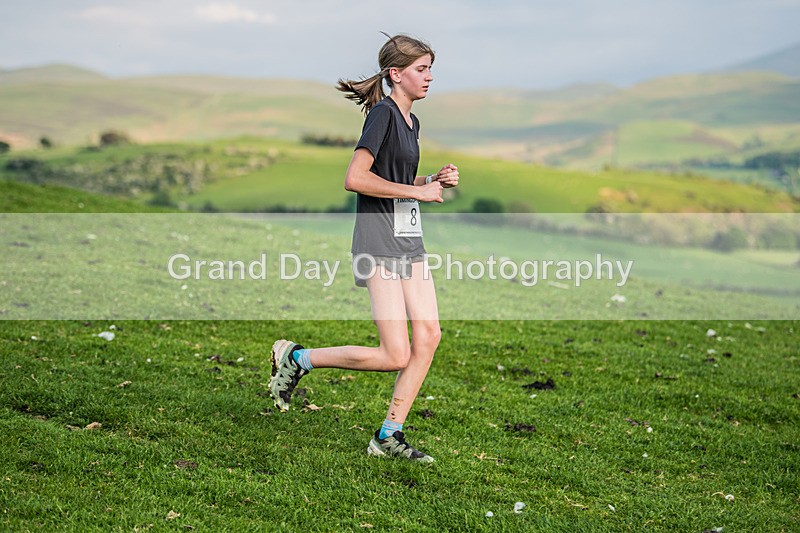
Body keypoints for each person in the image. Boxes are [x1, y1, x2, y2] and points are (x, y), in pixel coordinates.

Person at [269, 33, 459, 463]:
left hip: (408, 238)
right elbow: (356, 178)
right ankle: (298, 359)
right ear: (396, 74)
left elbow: (394, 182)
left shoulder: (412, 123)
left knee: (428, 336)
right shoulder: (383, 116)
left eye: (430, 69)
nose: (429, 77)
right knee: (395, 353)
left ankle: (388, 435)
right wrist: (422, 193)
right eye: (421, 69)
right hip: (378, 240)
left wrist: (430, 182)